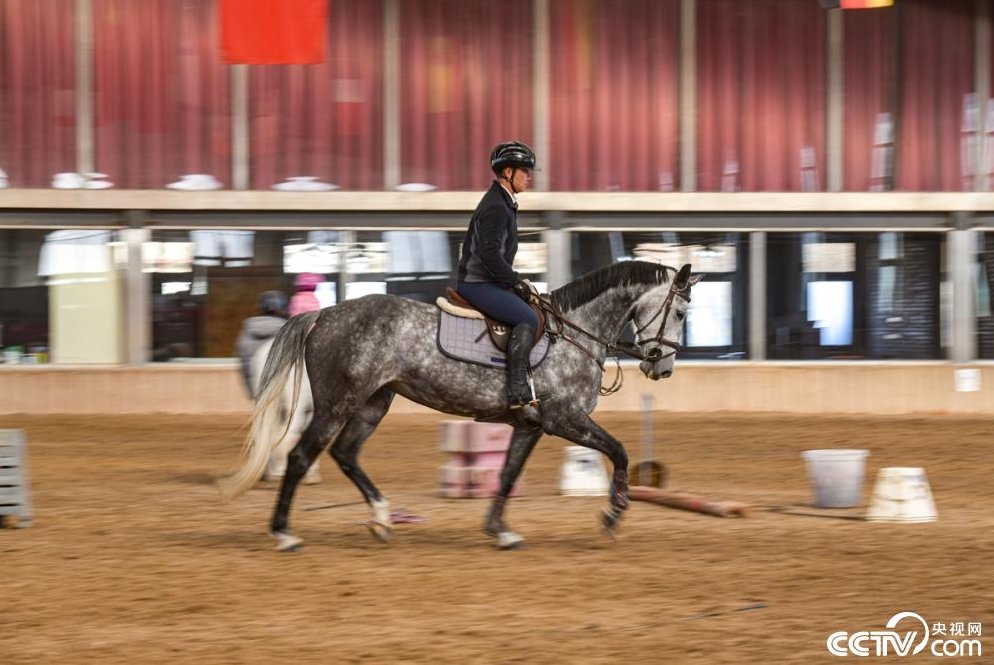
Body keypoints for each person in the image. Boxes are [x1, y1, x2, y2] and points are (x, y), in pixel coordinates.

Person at [456, 140, 542, 422]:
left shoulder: (504, 203)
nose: (529, 177)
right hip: (478, 282)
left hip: (488, 281)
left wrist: (515, 281)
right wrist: (514, 281)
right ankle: (516, 390)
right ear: (508, 172)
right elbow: (489, 254)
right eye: (525, 172)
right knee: (527, 318)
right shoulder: (496, 206)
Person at [234, 290, 288, 397]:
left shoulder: (247, 331)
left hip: (258, 391)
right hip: (284, 393)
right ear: (281, 309)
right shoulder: (288, 332)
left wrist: (252, 391)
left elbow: (245, 365)